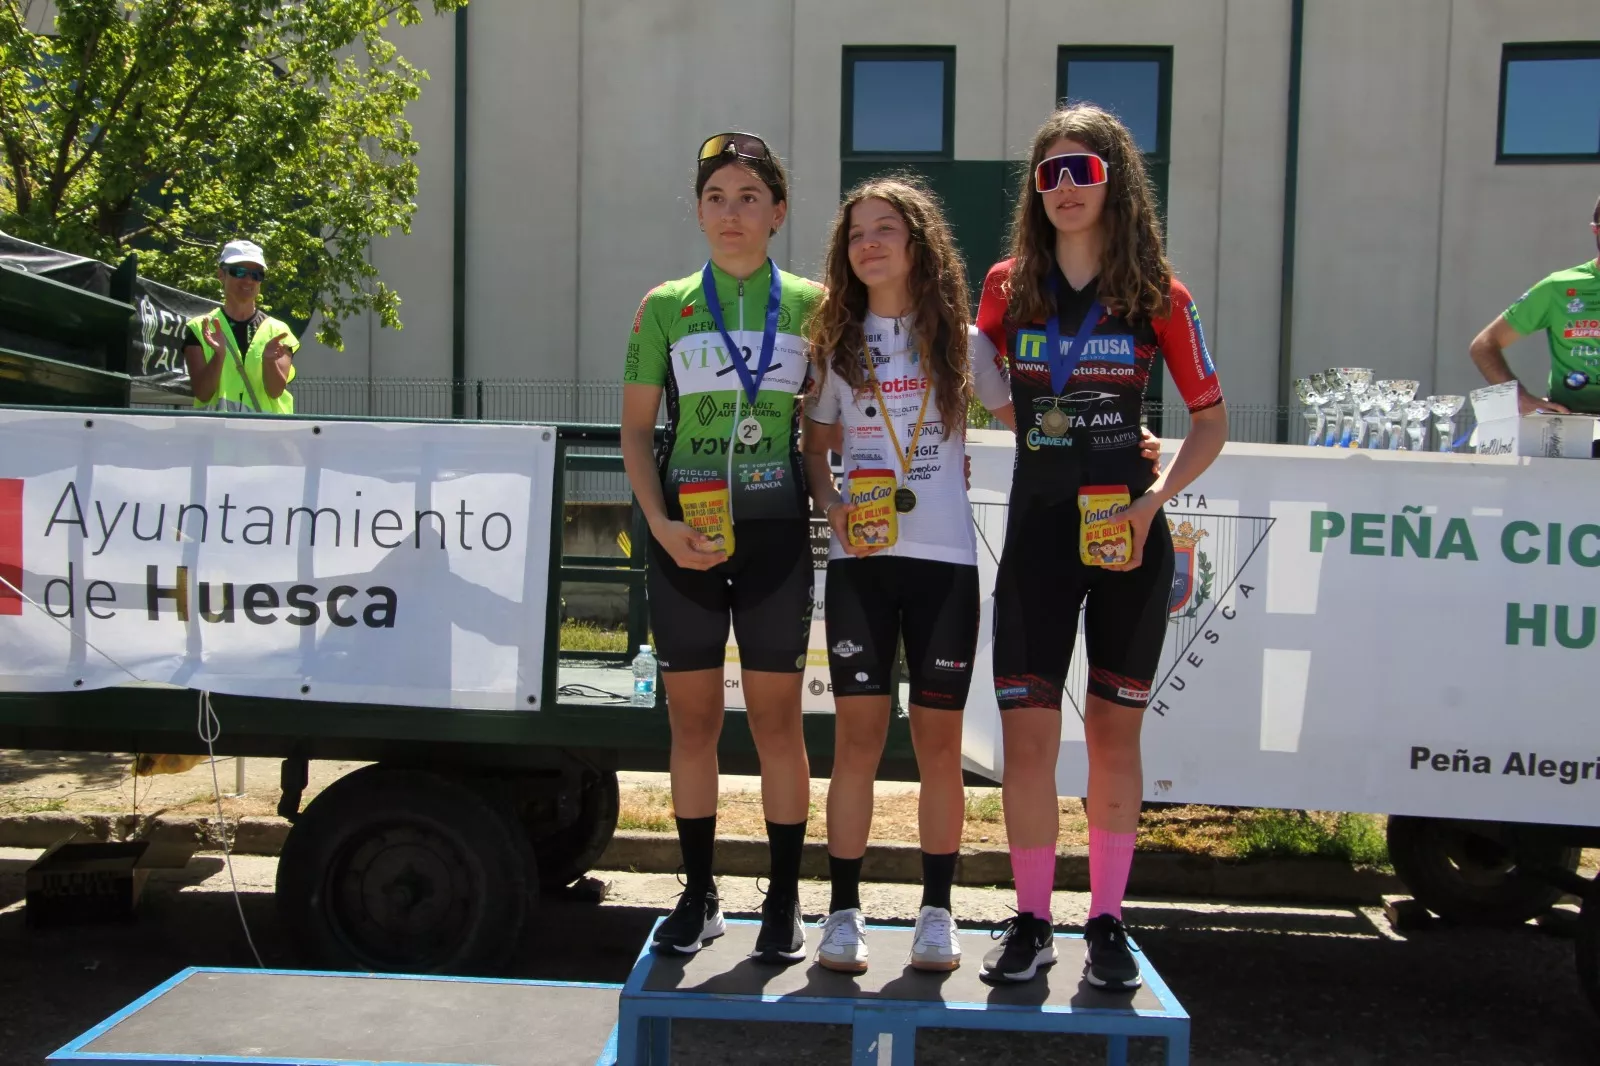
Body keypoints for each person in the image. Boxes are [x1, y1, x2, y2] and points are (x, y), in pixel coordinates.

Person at [802, 177, 1162, 974]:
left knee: (938, 746)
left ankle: (937, 911)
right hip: (861, 562)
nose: (869, 244)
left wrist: (1124, 440)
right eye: (856, 232)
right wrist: (830, 505)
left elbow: (1036, 417)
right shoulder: (835, 342)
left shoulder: (965, 344)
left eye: (885, 228)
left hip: (944, 564)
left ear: (919, 243)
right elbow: (817, 447)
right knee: (856, 743)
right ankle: (844, 912)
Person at [975, 105, 1227, 989]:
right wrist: (1016, 418)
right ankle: (1034, 917)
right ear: (1034, 190)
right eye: (1050, 174)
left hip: (1126, 534)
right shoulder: (1007, 284)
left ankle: (1109, 922)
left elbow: (1211, 420)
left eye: (1082, 171)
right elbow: (976, 363)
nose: (1066, 189)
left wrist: (1155, 500)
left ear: (1114, 180)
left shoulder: (1159, 290)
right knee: (1029, 738)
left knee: (1114, 739)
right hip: (1039, 533)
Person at [620, 132, 822, 963]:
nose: (730, 213)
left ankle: (782, 900)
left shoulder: (817, 303)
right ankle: (699, 893)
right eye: (715, 198)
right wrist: (661, 525)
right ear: (698, 212)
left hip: (775, 536)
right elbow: (635, 434)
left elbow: (838, 416)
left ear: (777, 213)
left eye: (748, 198)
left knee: (778, 723)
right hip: (685, 534)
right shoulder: (664, 305)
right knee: (693, 723)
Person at [1469, 194, 1600, 416]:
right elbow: (1483, 345)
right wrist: (1518, 397)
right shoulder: (1558, 286)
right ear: (1595, 229)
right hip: (1572, 429)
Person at [182, 240, 299, 413]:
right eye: (239, 272)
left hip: (266, 436)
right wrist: (219, 355)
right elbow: (203, 394)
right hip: (218, 436)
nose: (248, 280)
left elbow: (275, 392)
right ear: (221, 274)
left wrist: (269, 362)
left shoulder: (279, 331)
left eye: (256, 275)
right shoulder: (199, 328)